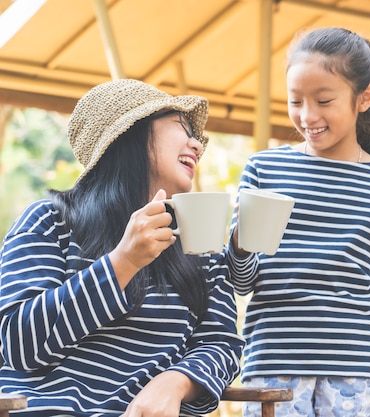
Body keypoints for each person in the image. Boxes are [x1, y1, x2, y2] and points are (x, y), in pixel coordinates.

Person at [0, 79, 250, 417]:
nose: (197, 144)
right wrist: (122, 263)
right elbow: (17, 344)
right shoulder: (50, 221)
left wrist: (175, 382)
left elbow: (222, 344)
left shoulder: (199, 244)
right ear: (131, 134)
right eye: (181, 126)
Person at [228, 27, 370, 417]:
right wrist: (238, 242)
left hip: (358, 375)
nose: (307, 115)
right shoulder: (264, 170)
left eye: (324, 100)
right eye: (295, 101)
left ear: (364, 98)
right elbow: (240, 280)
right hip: (271, 370)